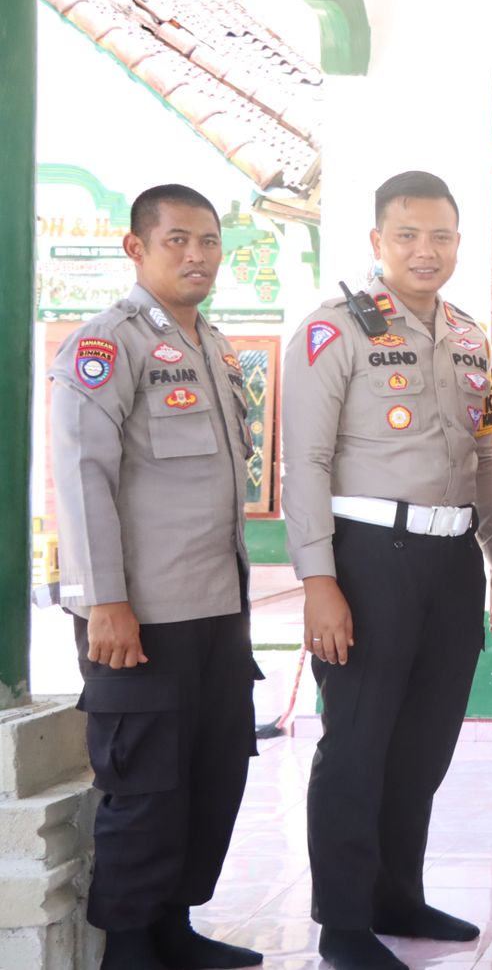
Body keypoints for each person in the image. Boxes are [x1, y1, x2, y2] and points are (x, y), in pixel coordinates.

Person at [281, 170, 492, 970]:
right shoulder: (333, 330)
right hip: (368, 559)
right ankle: (344, 921)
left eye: (440, 235)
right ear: (378, 241)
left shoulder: (470, 336)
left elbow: (486, 457)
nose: (425, 250)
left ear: (458, 243)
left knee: (423, 745)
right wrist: (318, 580)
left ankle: (397, 895)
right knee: (357, 743)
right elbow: (305, 463)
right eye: (407, 235)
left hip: (451, 561)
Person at [49, 184, 263, 970]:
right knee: (144, 784)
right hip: (139, 615)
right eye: (178, 240)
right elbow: (83, 477)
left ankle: (175, 927)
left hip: (216, 608)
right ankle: (131, 946)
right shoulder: (107, 344)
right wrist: (105, 600)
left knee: (211, 775)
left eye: (209, 241)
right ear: (136, 248)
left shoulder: (214, 346)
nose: (197, 256)